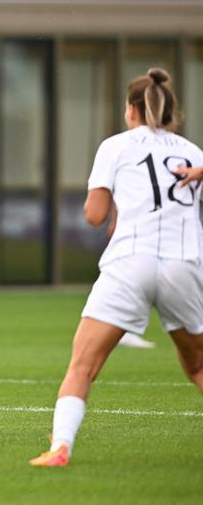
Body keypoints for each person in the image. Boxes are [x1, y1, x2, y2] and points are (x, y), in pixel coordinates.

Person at [30, 69, 202, 467]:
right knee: (197, 365)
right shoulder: (193, 153)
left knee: (83, 366)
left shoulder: (115, 146)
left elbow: (94, 215)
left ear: (130, 111)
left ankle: (61, 449)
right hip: (184, 263)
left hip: (130, 260)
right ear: (172, 111)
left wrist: (117, 207)